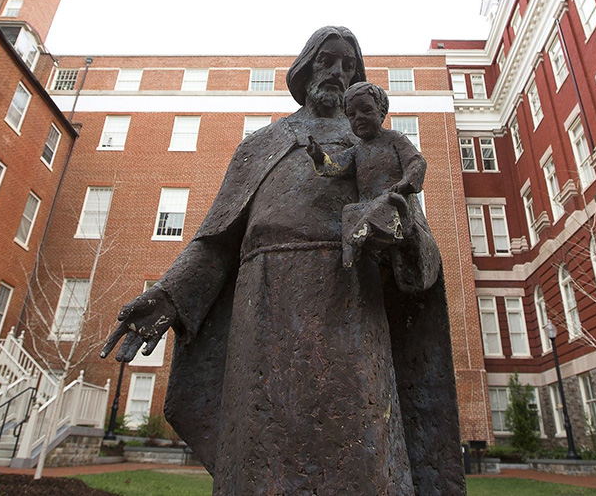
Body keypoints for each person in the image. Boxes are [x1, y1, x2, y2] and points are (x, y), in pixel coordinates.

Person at [101, 27, 464, 495]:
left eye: (348, 65)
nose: (336, 72)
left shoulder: (375, 148)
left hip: (349, 318)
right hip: (264, 318)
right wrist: (169, 296)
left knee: (359, 456)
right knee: (258, 461)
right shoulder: (260, 145)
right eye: (326, 60)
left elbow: (421, 256)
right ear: (305, 66)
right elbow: (215, 243)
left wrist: (397, 232)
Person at [305, 80, 427, 271]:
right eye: (351, 115)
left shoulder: (395, 139)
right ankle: (351, 256)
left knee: (382, 205)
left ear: (381, 112)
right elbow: (336, 165)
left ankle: (370, 235)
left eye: (366, 111)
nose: (358, 118)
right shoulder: (357, 150)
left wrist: (406, 183)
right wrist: (320, 157)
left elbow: (416, 162)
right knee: (350, 212)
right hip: (366, 206)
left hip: (393, 202)